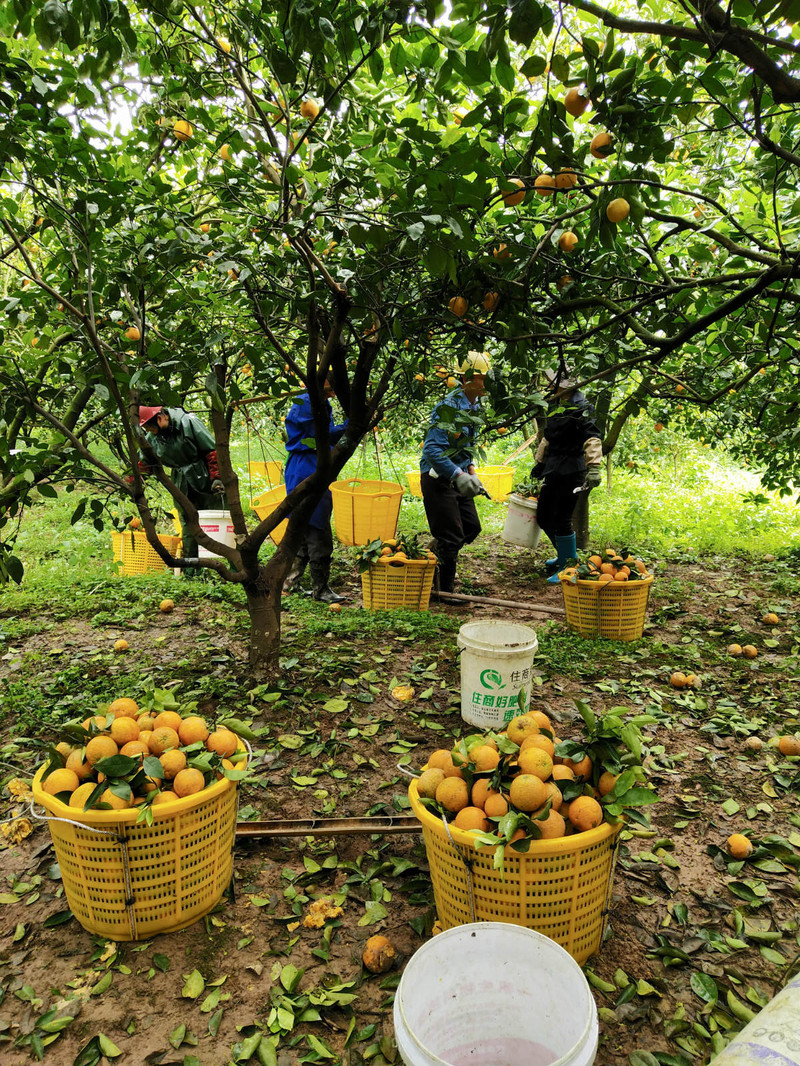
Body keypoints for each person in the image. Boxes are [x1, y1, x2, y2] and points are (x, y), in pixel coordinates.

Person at [420, 351, 490, 593]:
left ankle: (431, 555)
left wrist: (471, 471)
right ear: (467, 379)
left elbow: (466, 446)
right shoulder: (447, 408)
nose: (485, 382)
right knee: (451, 536)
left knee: (471, 528)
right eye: (481, 377)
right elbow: (431, 450)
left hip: (458, 476)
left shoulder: (476, 406)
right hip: (438, 479)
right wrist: (458, 476)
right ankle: (442, 590)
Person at [130, 405, 224, 572]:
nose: (150, 432)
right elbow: (146, 462)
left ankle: (232, 563)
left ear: (160, 418)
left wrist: (216, 477)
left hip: (204, 474)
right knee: (188, 522)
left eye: (150, 427)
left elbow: (211, 450)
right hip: (181, 480)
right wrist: (133, 481)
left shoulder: (188, 422)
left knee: (216, 517)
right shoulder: (154, 437)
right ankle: (191, 568)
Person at [532, 368, 603, 584]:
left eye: (552, 381)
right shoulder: (556, 404)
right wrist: (539, 463)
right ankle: (567, 558)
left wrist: (594, 466)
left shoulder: (582, 407)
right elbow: (548, 438)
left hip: (572, 469)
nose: (549, 384)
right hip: (554, 467)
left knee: (562, 519)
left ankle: (568, 567)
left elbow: (592, 436)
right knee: (544, 516)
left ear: (564, 384)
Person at [282, 378, 348, 603]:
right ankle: (320, 589)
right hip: (309, 467)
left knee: (300, 526)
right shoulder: (310, 402)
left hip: (299, 467)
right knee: (317, 529)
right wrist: (350, 425)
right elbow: (321, 436)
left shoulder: (308, 400)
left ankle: (291, 582)